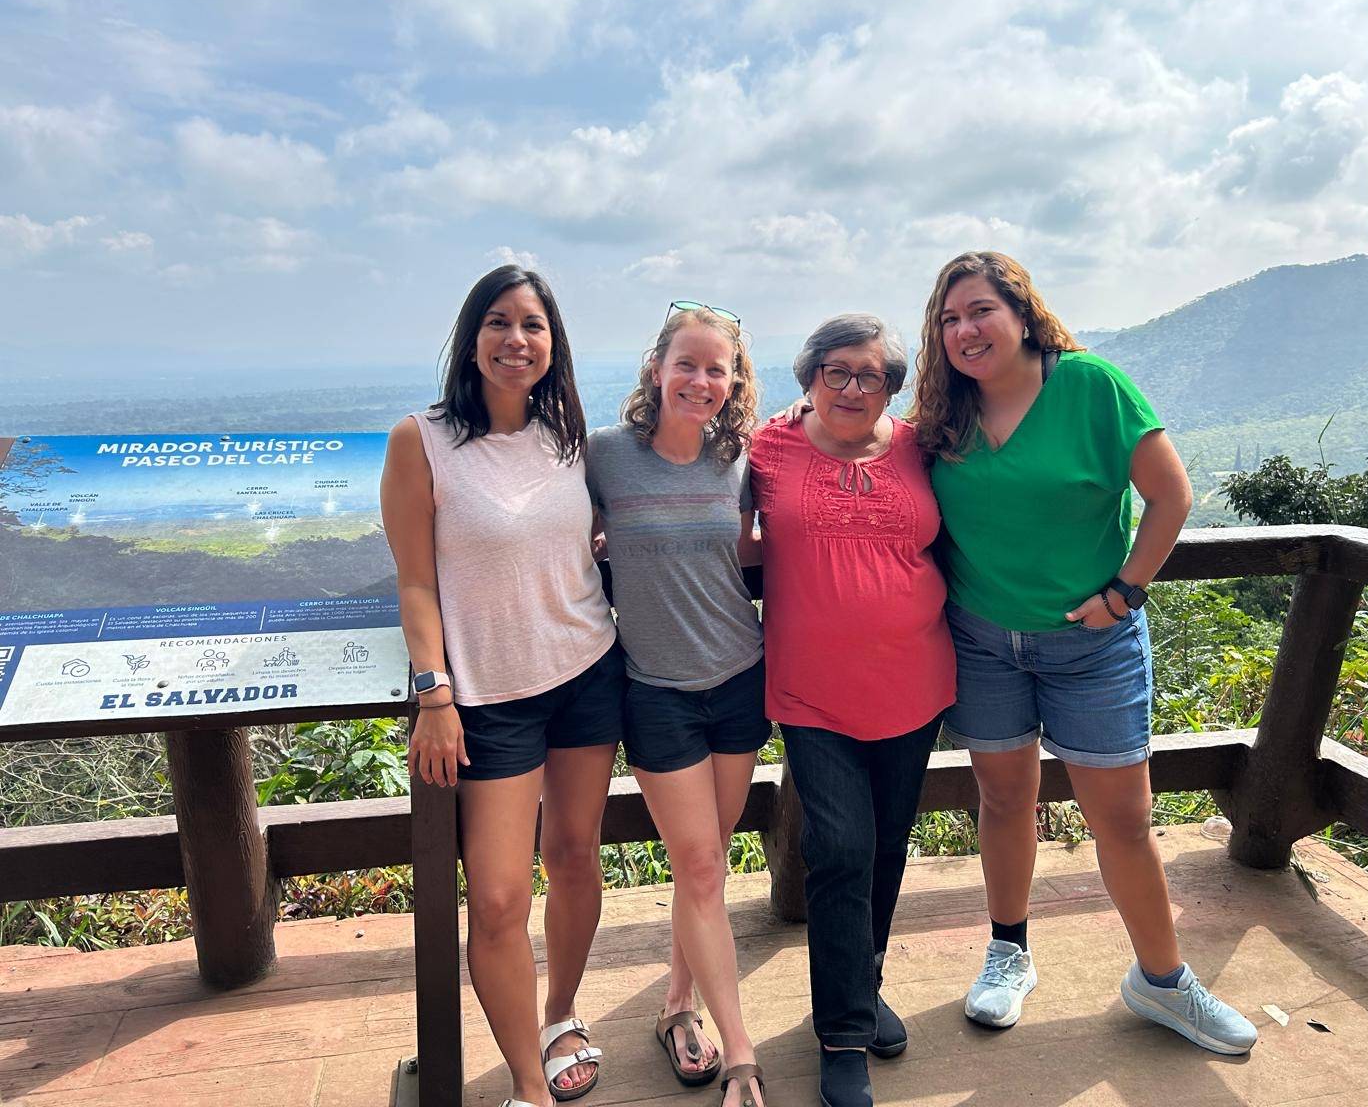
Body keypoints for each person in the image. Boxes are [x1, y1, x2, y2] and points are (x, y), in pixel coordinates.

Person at [911, 251, 1258, 1055]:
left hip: (1091, 645)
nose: (965, 331)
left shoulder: (1091, 386)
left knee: (1125, 822)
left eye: (980, 311)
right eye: (950, 319)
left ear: (1023, 313)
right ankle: (1008, 952)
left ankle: (1164, 981)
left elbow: (1169, 496)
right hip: (982, 639)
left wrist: (1126, 591)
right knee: (1003, 802)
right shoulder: (944, 413)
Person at [381, 265, 623, 1107]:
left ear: (554, 345)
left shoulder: (568, 435)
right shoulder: (422, 439)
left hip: (589, 670)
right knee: (496, 895)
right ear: (471, 337)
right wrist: (433, 695)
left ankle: (559, 1017)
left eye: (534, 325)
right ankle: (529, 1086)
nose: (516, 340)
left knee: (574, 856)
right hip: (487, 698)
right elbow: (415, 581)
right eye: (498, 322)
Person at [749, 314, 955, 1107]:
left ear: (892, 388)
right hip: (811, 691)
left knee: (888, 846)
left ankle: (863, 986)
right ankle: (841, 1037)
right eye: (836, 371)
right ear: (809, 375)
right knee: (839, 848)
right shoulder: (767, 450)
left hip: (915, 681)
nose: (852, 388)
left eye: (871, 376)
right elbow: (701, 503)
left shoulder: (917, 448)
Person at [585, 302, 767, 1107]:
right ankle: (741, 1055)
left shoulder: (743, 460)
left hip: (739, 679)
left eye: (716, 368)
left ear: (734, 382)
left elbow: (758, 545)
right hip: (655, 690)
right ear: (657, 367)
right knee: (697, 864)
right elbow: (552, 531)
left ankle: (674, 1006)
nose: (701, 380)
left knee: (709, 864)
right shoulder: (604, 458)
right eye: (686, 364)